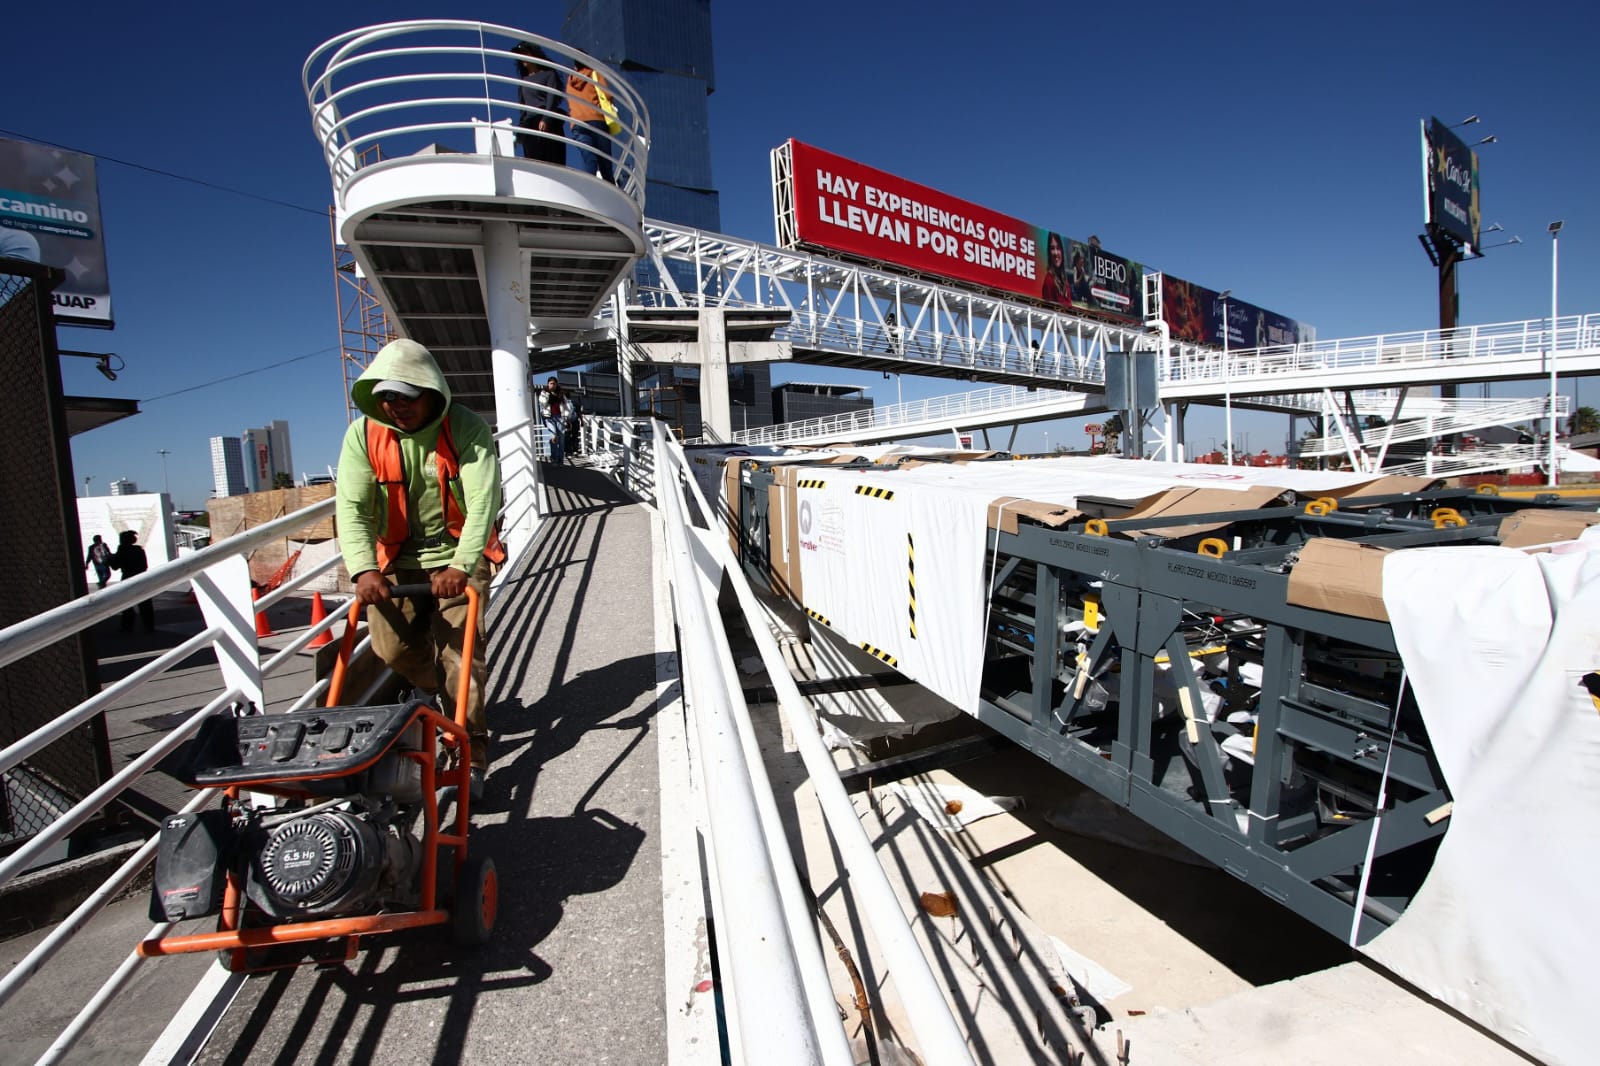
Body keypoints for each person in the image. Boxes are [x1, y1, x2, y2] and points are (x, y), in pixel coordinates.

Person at [336, 338, 505, 800]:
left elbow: (483, 501)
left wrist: (462, 564)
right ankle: (435, 698)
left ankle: (470, 755)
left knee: (461, 661)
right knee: (391, 650)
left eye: (406, 396)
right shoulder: (363, 436)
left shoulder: (465, 427)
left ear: (431, 393)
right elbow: (352, 507)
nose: (395, 406)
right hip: (395, 559)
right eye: (387, 397)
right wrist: (363, 570)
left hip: (459, 554)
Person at [512, 42, 566, 165]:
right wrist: (520, 131)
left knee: (553, 161)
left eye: (525, 53)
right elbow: (522, 108)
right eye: (520, 54)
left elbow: (551, 98)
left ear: (533, 54)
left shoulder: (548, 74)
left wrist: (546, 119)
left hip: (547, 121)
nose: (522, 57)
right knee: (534, 163)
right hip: (530, 124)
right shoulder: (523, 81)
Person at [566, 60, 617, 184]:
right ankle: (610, 191)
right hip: (596, 119)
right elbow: (607, 95)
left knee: (589, 160)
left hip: (577, 123)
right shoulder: (594, 73)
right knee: (605, 165)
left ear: (575, 66)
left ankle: (588, 187)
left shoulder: (570, 81)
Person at [110, 530, 155, 631]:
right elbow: (144, 566)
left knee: (126, 604)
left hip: (127, 578)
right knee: (145, 604)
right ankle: (149, 626)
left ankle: (127, 626)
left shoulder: (122, 550)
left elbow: (115, 566)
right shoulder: (139, 550)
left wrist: (109, 559)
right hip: (141, 578)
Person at [541, 376, 568, 465]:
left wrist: (566, 416)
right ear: (548, 384)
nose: (552, 385)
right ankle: (554, 459)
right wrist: (549, 394)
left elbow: (566, 405)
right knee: (553, 437)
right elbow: (543, 403)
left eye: (554, 383)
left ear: (556, 384)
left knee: (561, 440)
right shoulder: (544, 392)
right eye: (550, 383)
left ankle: (560, 460)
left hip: (560, 417)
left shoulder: (561, 393)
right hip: (549, 417)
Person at [1041, 232, 1071, 308]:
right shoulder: (1049, 281)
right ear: (1049, 252)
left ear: (1062, 251)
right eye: (1052, 248)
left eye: (1058, 248)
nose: (1055, 253)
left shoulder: (1065, 281)